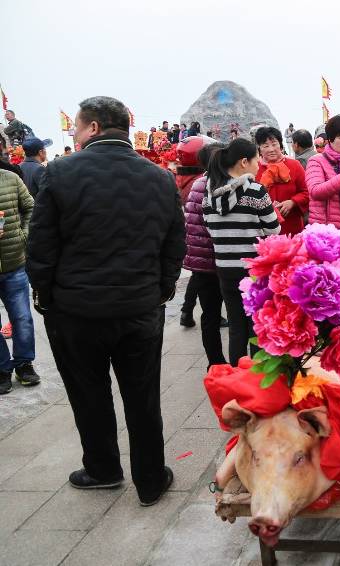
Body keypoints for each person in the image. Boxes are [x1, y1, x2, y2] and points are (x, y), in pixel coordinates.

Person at [26, 96, 185, 504]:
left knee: (88, 394)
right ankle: (150, 480)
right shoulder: (160, 178)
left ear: (93, 127)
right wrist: (161, 290)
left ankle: (103, 469)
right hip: (138, 309)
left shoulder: (59, 172)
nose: (75, 135)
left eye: (77, 127)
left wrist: (44, 296)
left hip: (77, 312)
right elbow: (174, 246)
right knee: (142, 397)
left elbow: (41, 246)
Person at [203, 138, 279, 365]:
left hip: (225, 269)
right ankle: (257, 376)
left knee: (236, 325)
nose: (259, 164)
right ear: (244, 162)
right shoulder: (255, 191)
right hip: (254, 269)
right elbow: (274, 229)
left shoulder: (210, 192)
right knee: (257, 324)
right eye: (257, 159)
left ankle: (238, 373)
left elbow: (209, 227)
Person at [183, 142, 227, 368]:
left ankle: (215, 362)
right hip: (220, 260)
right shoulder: (222, 186)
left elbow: (191, 224)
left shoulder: (198, 184)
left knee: (209, 314)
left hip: (201, 263)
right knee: (234, 313)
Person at [0, 168, 39, 395]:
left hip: (14, 263)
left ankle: (24, 364)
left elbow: (31, 208)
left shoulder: (11, 178)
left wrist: (24, 235)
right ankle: (2, 368)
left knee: (22, 317)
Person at [255, 126, 309, 235]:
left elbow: (307, 192)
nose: (271, 149)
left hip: (292, 226)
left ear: (280, 145)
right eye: (266, 146)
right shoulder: (255, 168)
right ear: (259, 148)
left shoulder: (294, 165)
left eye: (274, 144)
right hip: (263, 228)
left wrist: (293, 202)